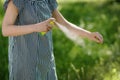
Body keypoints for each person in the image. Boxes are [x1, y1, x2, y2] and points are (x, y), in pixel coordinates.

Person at [2, 0, 103, 80]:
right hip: (25, 62)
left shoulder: (47, 1)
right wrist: (36, 27)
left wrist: (89, 34)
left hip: (46, 61)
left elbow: (64, 24)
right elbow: (5, 29)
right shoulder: (18, 1)